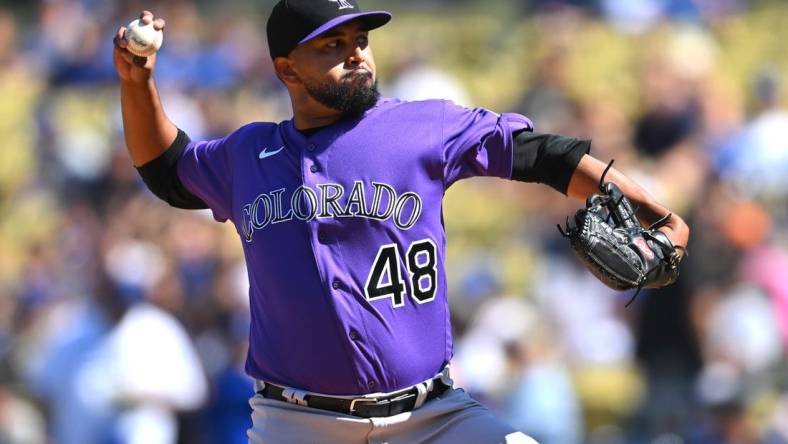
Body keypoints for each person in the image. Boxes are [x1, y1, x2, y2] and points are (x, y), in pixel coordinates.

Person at [113, 1, 690, 442]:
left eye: (360, 40)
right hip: (297, 424)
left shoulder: (424, 127)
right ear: (287, 70)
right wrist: (137, 83)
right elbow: (166, 169)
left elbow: (546, 155)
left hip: (431, 417)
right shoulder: (247, 155)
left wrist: (661, 217)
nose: (356, 53)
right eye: (332, 45)